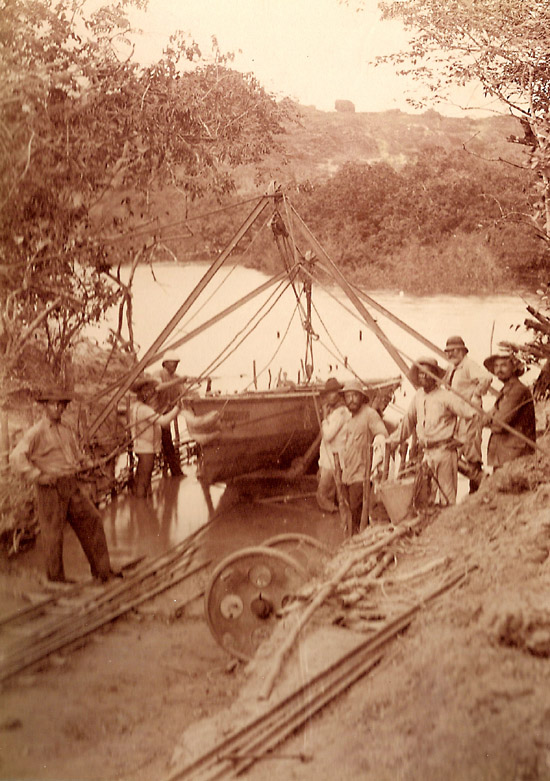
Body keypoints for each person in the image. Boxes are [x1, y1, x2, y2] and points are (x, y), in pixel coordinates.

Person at [10, 389, 114, 584]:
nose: (58, 408)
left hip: (70, 484)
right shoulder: (36, 432)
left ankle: (103, 571)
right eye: (54, 405)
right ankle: (56, 579)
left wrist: (87, 463)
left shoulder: (66, 430)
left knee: (93, 521)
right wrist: (38, 476)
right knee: (53, 534)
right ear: (45, 406)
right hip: (50, 487)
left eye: (62, 405)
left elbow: (75, 457)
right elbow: (16, 457)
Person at [389, 357, 477, 507]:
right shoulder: (418, 397)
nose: (424, 377)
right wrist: (391, 441)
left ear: (435, 375)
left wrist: (461, 439)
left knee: (446, 497)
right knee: (425, 496)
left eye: (427, 373)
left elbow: (472, 415)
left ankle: (448, 527)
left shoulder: (446, 397)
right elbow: (408, 422)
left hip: (444, 452)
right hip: (426, 454)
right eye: (420, 374)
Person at [443, 335, 492, 493]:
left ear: (462, 351)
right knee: (456, 450)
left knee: (470, 448)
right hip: (458, 414)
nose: (451, 354)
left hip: (470, 413)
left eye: (454, 350)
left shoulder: (469, 365)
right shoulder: (452, 368)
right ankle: (478, 482)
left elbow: (487, 377)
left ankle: (477, 487)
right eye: (448, 351)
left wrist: (476, 394)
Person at [340, 379, 388, 534]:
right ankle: (355, 542)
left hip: (361, 477)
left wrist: (376, 466)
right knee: (352, 514)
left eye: (354, 396)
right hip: (347, 476)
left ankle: (361, 542)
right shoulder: (349, 418)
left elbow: (382, 435)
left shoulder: (369, 414)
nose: (351, 400)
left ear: (361, 397)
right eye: (348, 397)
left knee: (358, 513)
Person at [483, 347, 536, 467]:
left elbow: (499, 424)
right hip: (504, 454)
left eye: (503, 365)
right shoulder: (506, 390)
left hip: (516, 456)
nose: (498, 370)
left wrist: (491, 419)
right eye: (496, 366)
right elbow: (485, 419)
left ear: (514, 367)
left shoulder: (518, 390)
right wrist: (490, 418)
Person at [130, 376, 181, 498]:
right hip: (146, 449)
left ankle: (141, 508)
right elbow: (163, 421)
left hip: (140, 447)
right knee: (144, 480)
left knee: (140, 476)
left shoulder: (136, 406)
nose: (154, 395)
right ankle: (142, 506)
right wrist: (178, 408)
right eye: (150, 393)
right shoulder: (145, 410)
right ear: (144, 394)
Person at [316, 378, 351, 513]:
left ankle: (331, 526)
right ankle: (336, 516)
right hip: (330, 460)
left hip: (333, 461)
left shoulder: (340, 412)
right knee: (334, 492)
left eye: (333, 393)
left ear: (338, 394)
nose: (330, 397)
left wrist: (324, 418)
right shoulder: (336, 411)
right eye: (328, 394)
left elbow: (328, 435)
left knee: (323, 495)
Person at [154, 351, 187, 477]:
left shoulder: (176, 377)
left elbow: (183, 393)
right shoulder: (158, 374)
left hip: (167, 414)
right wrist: (177, 381)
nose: (175, 366)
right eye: (173, 363)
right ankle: (175, 472)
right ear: (165, 363)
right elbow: (158, 388)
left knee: (167, 441)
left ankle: (174, 471)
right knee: (162, 443)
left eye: (177, 364)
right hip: (155, 414)